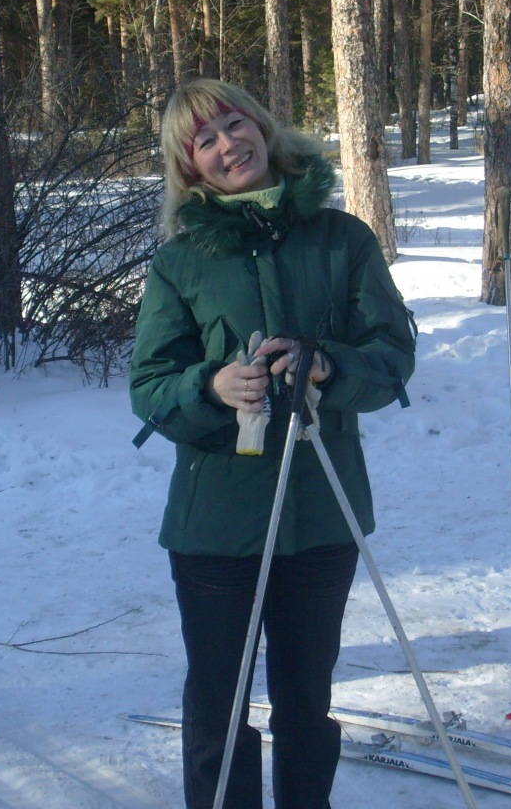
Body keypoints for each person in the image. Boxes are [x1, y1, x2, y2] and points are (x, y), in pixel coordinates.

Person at [129, 79, 416, 809]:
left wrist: (329, 367)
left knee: (306, 704)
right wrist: (211, 386)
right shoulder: (180, 263)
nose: (229, 145)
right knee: (219, 707)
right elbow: (150, 388)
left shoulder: (342, 239)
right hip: (216, 526)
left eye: (235, 124)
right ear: (189, 165)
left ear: (262, 125)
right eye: (205, 140)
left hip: (321, 516)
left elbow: (392, 359)